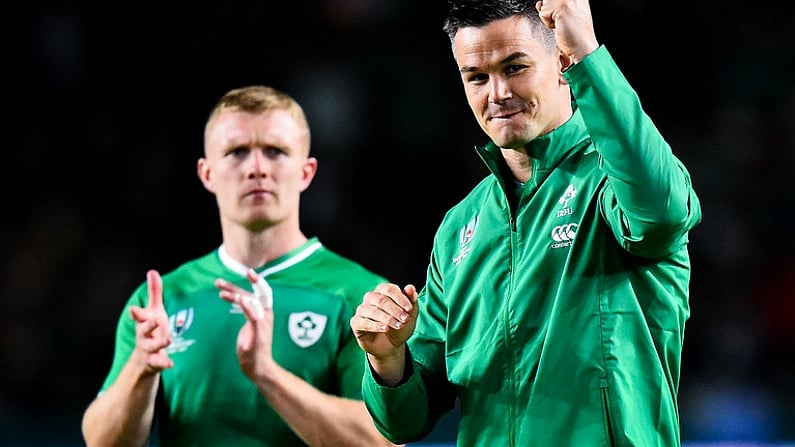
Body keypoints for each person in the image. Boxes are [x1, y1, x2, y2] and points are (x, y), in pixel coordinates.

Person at [350, 0, 703, 446]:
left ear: (561, 62)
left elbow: (664, 214)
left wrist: (589, 53)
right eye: (476, 77)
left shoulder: (616, 180)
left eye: (514, 68)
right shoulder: (462, 224)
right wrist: (386, 359)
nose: (496, 93)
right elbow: (405, 422)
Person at [82, 85, 402, 447]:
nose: (257, 168)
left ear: (306, 172)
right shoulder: (162, 300)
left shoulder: (358, 296)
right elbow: (101, 442)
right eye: (236, 153)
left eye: (275, 151)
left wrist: (266, 374)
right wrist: (141, 367)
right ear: (207, 174)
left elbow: (385, 442)